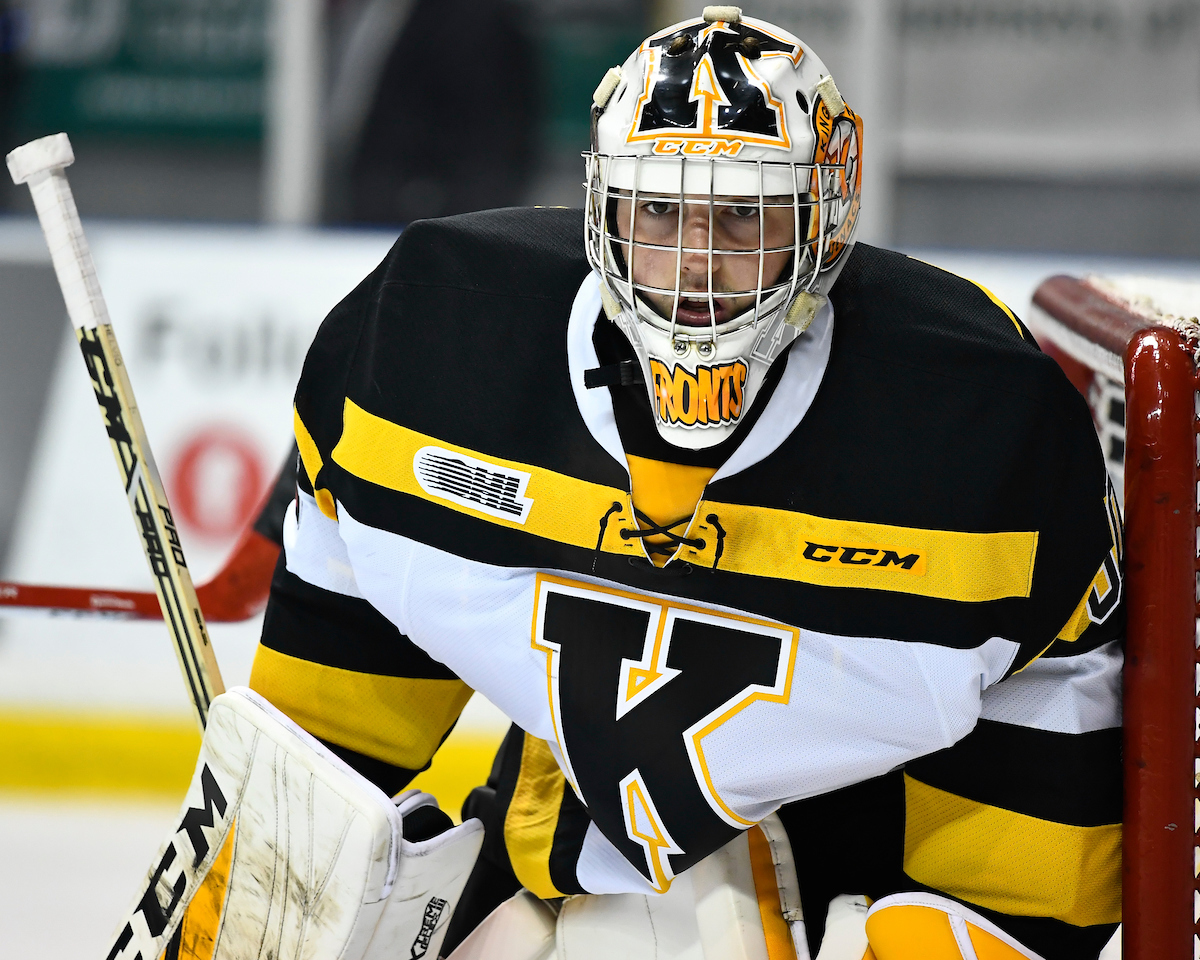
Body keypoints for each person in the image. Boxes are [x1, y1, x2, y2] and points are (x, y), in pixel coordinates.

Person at [142, 8, 1123, 960]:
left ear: (824, 220)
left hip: (845, 865)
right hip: (548, 838)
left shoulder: (974, 422)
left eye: (742, 214)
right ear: (601, 206)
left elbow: (1026, 871)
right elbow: (322, 760)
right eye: (660, 209)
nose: (695, 268)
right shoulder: (440, 338)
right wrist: (245, 890)